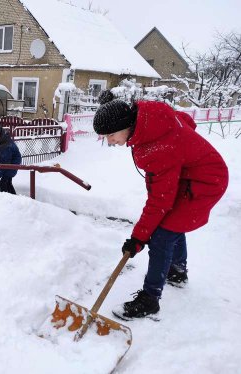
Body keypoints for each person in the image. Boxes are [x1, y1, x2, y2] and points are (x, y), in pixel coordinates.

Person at [92, 90, 229, 321]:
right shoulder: (150, 121)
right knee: (171, 223)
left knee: (163, 235)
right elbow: (185, 122)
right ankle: (176, 271)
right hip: (190, 175)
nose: (110, 141)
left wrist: (138, 238)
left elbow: (159, 202)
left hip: (205, 182)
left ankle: (150, 299)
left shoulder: (160, 146)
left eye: (112, 134)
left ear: (126, 125)